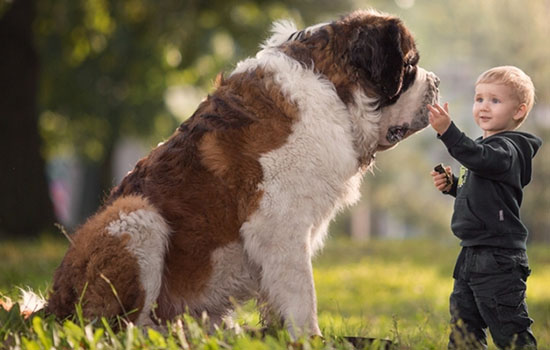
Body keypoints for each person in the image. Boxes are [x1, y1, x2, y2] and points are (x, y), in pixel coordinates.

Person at [428, 66, 542, 350]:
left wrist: (448, 132)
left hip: (498, 258)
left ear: (519, 111)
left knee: (509, 331)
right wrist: (453, 186)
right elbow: (484, 190)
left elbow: (482, 159)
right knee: (463, 330)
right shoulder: (485, 149)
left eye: (495, 100)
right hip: (471, 253)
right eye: (479, 99)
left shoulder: (511, 148)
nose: (483, 107)